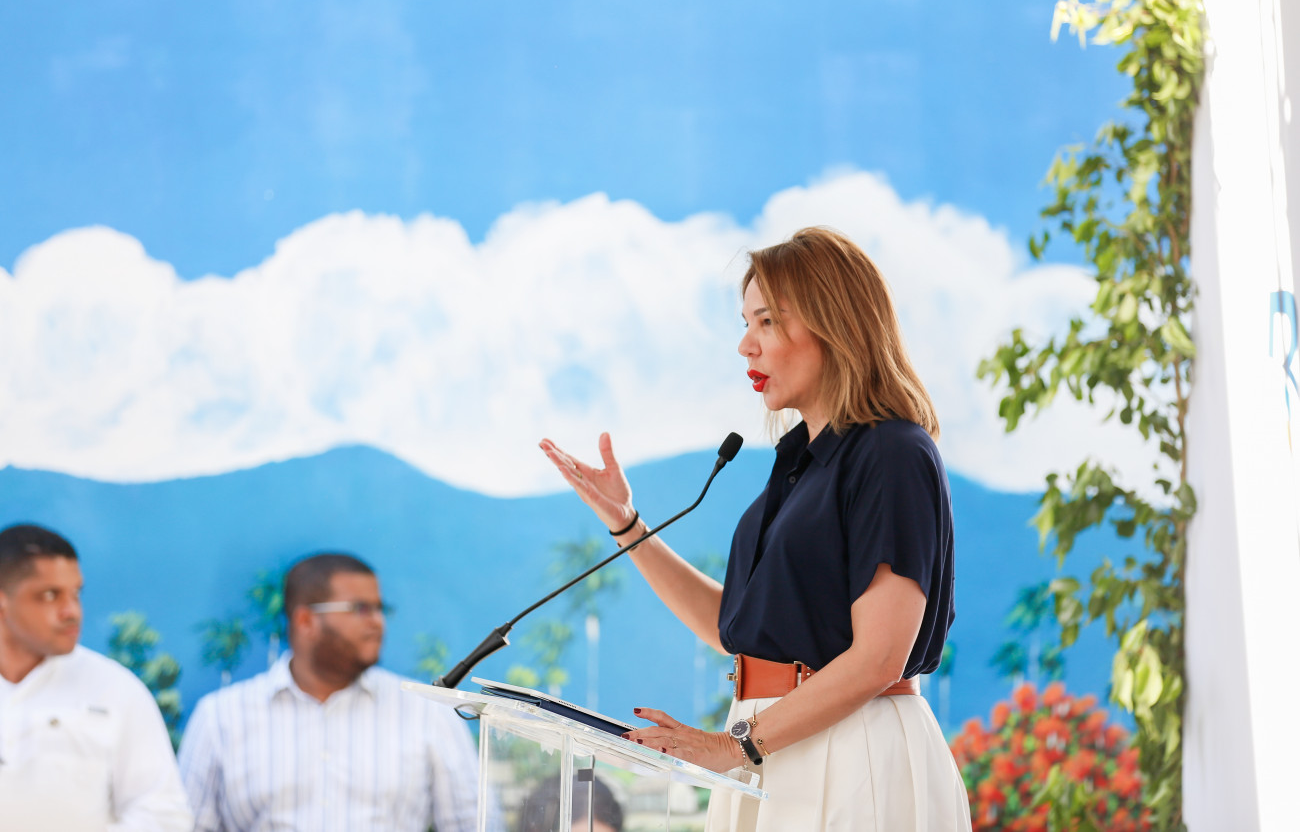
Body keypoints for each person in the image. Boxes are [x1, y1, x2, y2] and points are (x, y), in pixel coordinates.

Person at [540, 227, 972, 831]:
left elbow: (879, 658)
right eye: (746, 323)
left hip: (852, 750)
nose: (746, 345)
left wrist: (733, 745)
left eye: (767, 322)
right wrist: (626, 524)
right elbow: (734, 628)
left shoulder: (893, 453)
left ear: (835, 322)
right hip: (768, 748)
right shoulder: (798, 467)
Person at [178, 552, 480, 832]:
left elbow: (473, 823)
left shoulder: (426, 712)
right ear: (306, 620)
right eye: (361, 609)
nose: (377, 622)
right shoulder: (221, 718)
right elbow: (188, 825)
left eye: (380, 609)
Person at [0, 523, 193, 831]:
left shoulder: (117, 691)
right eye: (50, 595)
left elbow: (163, 816)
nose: (72, 611)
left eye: (76, 593)